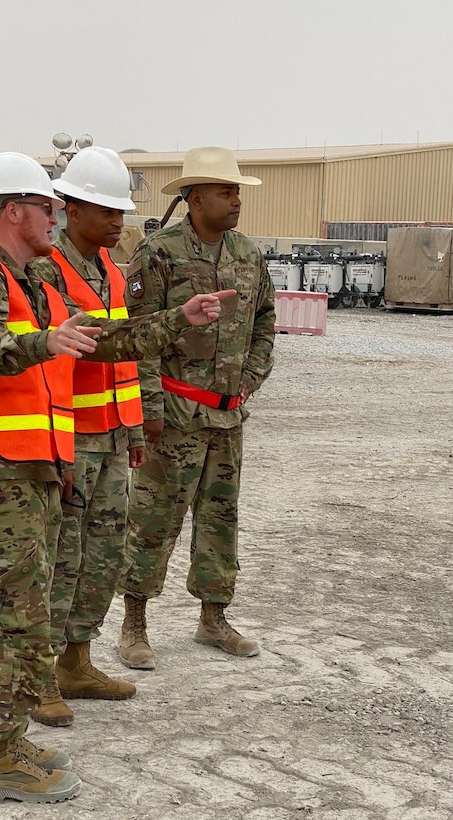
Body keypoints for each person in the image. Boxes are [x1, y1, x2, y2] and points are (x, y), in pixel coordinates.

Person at [0, 151, 233, 803]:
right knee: (7, 616)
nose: (55, 215)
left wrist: (179, 320)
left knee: (27, 613)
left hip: (31, 467)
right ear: (14, 212)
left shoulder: (33, 281)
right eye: (45, 207)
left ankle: (4, 740)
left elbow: (105, 340)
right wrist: (48, 342)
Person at [116, 146, 276, 670]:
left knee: (220, 518)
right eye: (227, 192)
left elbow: (265, 322)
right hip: (176, 415)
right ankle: (134, 623)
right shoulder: (158, 253)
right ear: (196, 196)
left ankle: (214, 617)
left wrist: (251, 377)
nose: (235, 201)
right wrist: (150, 407)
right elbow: (139, 335)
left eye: (237, 193)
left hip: (228, 418)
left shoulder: (249, 256)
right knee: (154, 518)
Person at [29, 147, 142, 726]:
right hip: (73, 439)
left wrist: (136, 426)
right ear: (71, 208)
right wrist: (58, 447)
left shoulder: (113, 273)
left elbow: (125, 363)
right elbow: (52, 364)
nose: (118, 221)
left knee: (104, 555)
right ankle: (42, 672)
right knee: (62, 558)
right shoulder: (48, 271)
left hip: (115, 437)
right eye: (106, 209)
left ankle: (78, 660)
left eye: (122, 211)